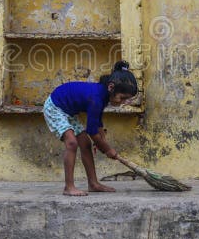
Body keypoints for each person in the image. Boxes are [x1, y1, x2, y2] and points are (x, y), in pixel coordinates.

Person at [44, 60, 138, 196]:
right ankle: (69, 187)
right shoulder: (96, 98)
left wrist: (102, 140)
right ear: (111, 87)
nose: (123, 102)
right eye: (122, 98)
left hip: (68, 112)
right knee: (71, 143)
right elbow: (92, 131)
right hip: (55, 107)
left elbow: (97, 121)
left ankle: (93, 184)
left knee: (85, 143)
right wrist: (107, 149)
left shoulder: (103, 95)